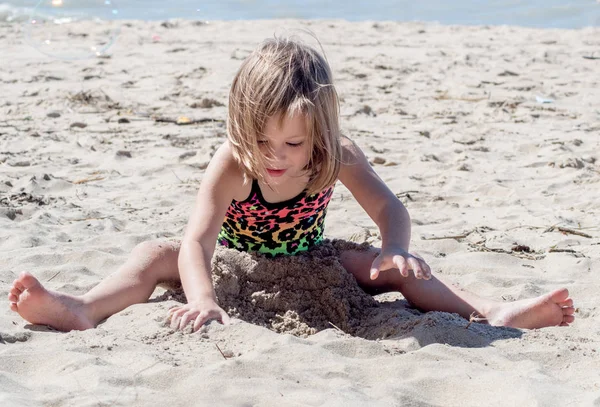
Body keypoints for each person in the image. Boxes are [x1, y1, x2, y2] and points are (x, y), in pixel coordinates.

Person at [8, 37, 575, 333]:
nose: (275, 157)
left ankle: (491, 312)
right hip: (236, 262)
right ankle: (83, 307)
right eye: (262, 141)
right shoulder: (232, 162)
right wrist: (202, 300)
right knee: (154, 254)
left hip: (312, 263)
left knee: (390, 270)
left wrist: (398, 248)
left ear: (319, 133)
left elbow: (389, 208)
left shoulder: (336, 155)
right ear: (241, 127)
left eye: (294, 144)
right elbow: (197, 242)